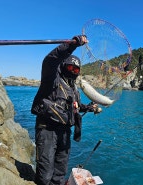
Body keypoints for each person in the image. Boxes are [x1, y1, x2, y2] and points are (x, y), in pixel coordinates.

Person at [31, 35, 99, 185]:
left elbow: (76, 106)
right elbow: (50, 60)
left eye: (76, 69)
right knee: (45, 171)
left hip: (64, 132)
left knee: (60, 171)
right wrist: (71, 45)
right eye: (70, 67)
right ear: (63, 66)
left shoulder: (73, 89)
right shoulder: (52, 79)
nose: (73, 70)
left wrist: (89, 107)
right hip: (47, 130)